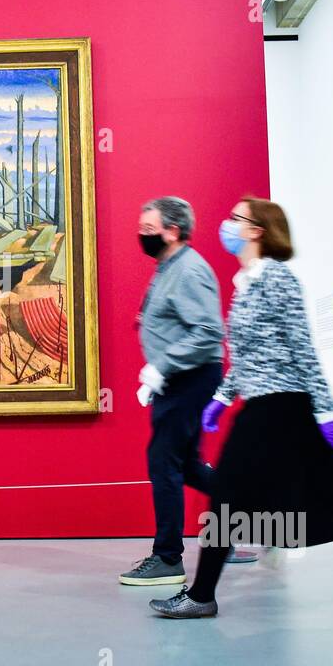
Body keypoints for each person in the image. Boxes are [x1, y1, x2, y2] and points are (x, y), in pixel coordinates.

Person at [149, 196, 333, 617]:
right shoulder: (247, 283)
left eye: (234, 218)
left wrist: (326, 409)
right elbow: (248, 356)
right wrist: (222, 399)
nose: (227, 224)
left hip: (284, 408)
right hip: (264, 405)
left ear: (256, 230)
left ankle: (201, 596)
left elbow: (302, 348)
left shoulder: (278, 279)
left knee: (231, 497)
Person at [119, 197, 225, 586]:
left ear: (173, 231)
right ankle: (261, 515)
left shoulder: (189, 270)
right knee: (187, 464)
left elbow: (210, 331)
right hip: (177, 378)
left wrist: (160, 367)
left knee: (163, 461)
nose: (142, 236)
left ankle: (168, 558)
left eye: (149, 230)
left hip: (189, 379)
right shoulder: (168, 267)